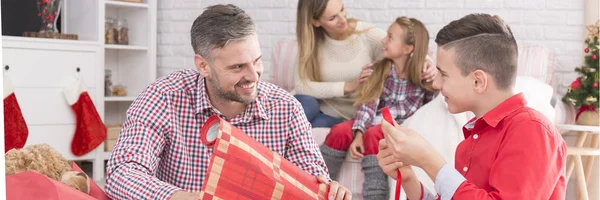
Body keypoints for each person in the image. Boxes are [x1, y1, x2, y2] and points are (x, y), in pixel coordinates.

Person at [104, 4, 351, 200]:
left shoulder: (286, 108)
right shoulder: (163, 97)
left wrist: (327, 190)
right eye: (237, 67)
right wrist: (179, 197)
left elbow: (311, 176)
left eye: (257, 60)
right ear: (203, 66)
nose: (254, 76)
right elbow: (122, 173)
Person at [377, 13, 567, 200]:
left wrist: (429, 160)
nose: (435, 83)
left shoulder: (531, 129)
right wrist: (410, 180)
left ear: (478, 81)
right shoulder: (472, 139)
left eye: (443, 74)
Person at [319, 17, 437, 199]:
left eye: (390, 37)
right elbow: (368, 105)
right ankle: (319, 185)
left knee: (374, 134)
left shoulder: (423, 77)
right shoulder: (379, 70)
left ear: (407, 49)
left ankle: (376, 196)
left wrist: (433, 73)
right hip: (372, 120)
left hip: (399, 128)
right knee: (339, 131)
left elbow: (431, 109)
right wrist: (358, 133)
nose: (383, 40)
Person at [294, 0, 437, 128]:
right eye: (332, 18)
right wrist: (348, 86)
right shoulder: (311, 44)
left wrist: (427, 63)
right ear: (316, 22)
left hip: (352, 115)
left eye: (342, 9)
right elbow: (301, 86)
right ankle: (274, 147)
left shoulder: (364, 33)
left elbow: (404, 45)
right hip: (322, 107)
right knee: (300, 104)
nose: (343, 19)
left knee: (308, 124)